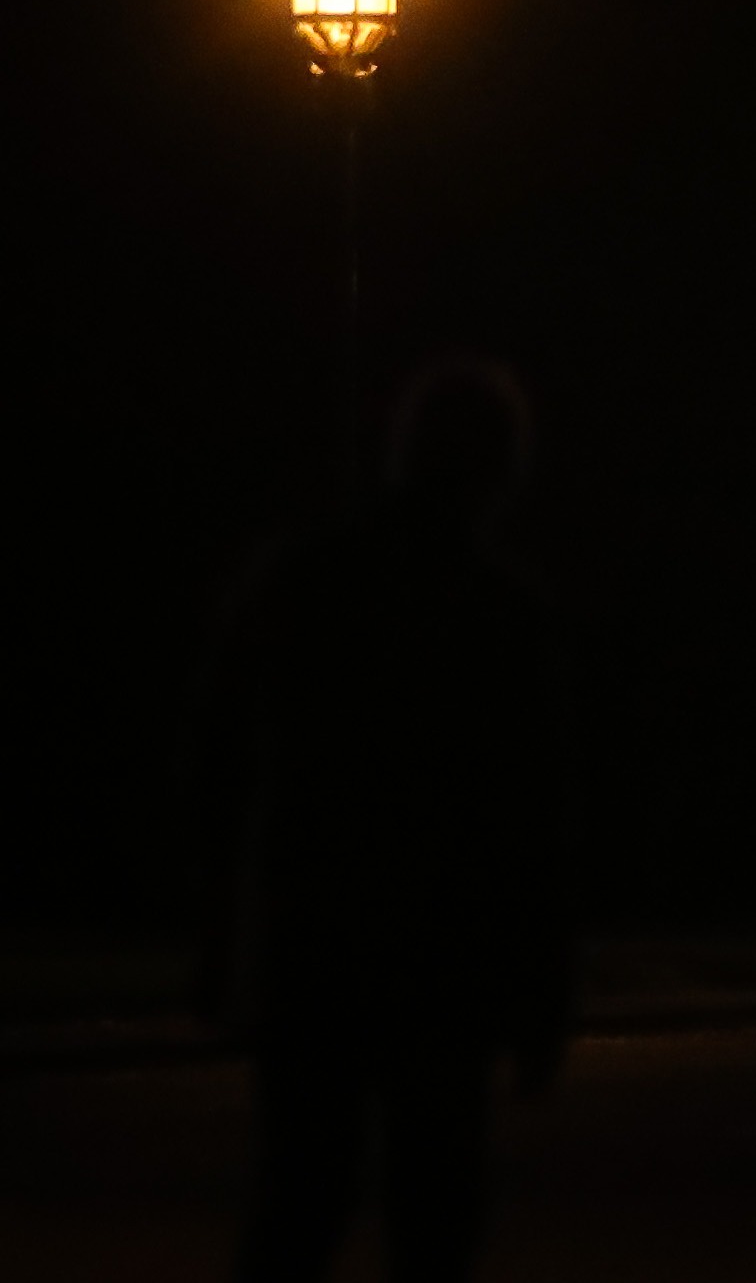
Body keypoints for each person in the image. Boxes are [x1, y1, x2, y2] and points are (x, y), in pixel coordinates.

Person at [197, 359, 574, 1283]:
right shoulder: (503, 618)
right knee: (434, 1213)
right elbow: (532, 822)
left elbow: (219, 760)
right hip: (443, 957)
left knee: (296, 1199)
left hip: (314, 938)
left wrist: (221, 932)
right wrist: (539, 996)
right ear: (502, 473)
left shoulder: (302, 581)